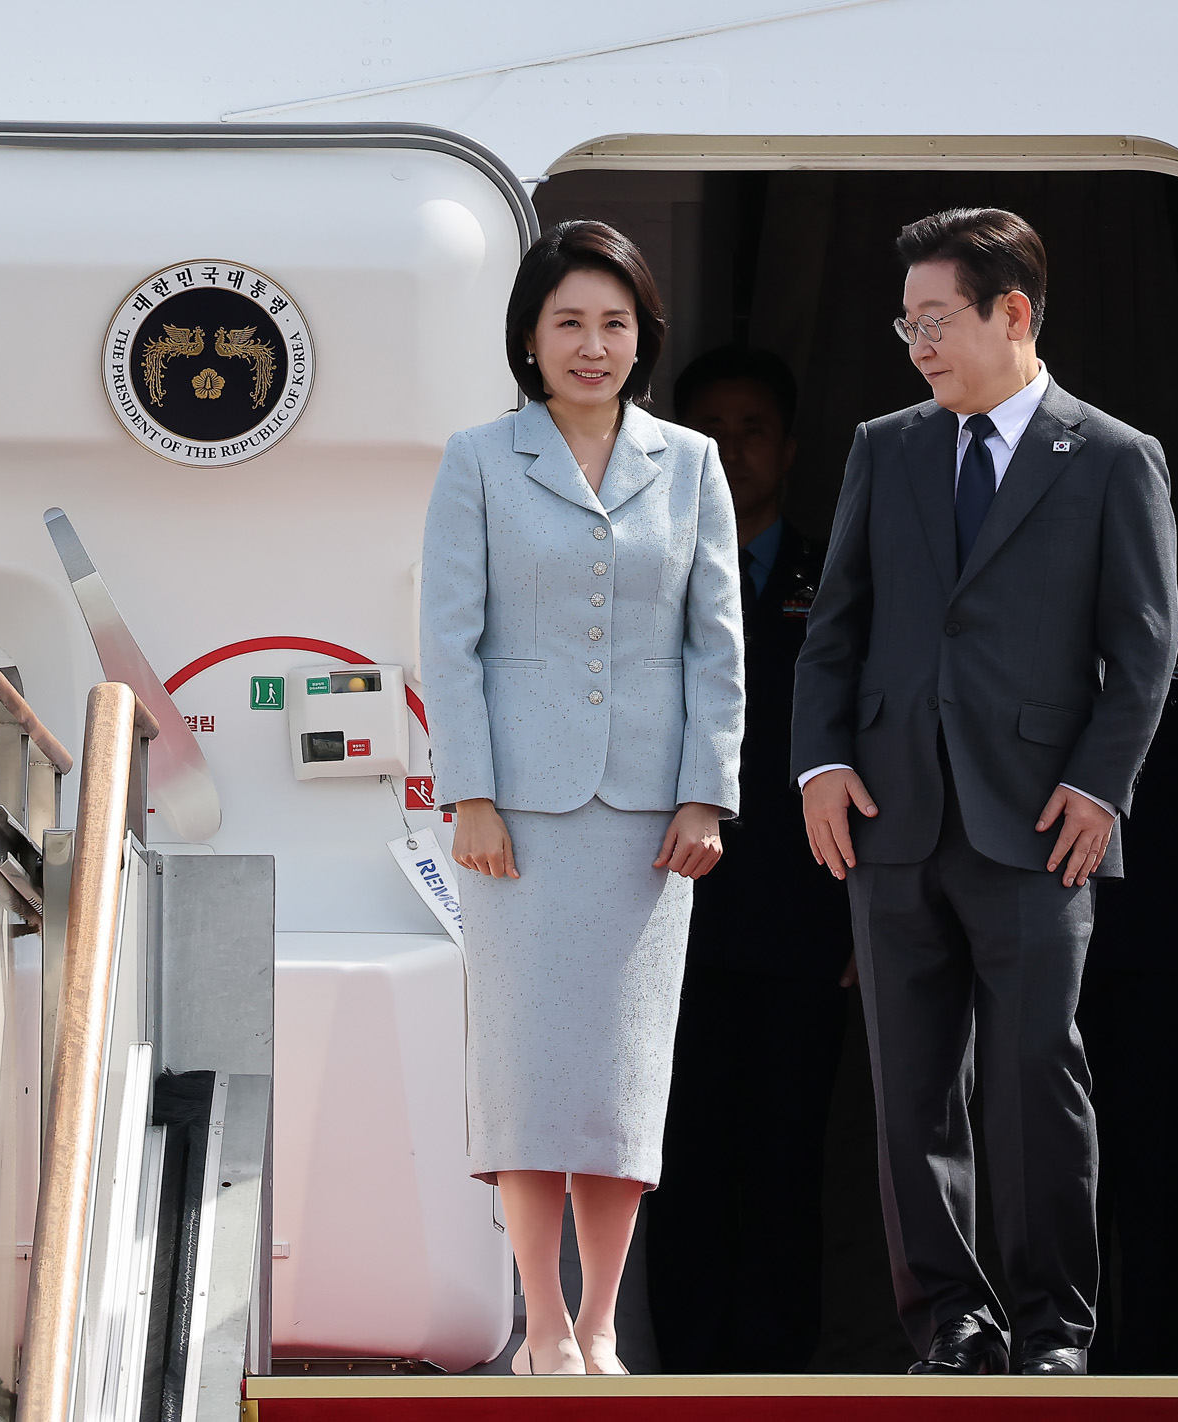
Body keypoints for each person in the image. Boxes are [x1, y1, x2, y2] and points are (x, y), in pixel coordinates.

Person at [790, 208, 1178, 1376]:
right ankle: (950, 1330)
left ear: (1013, 314)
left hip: (1036, 823)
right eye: (904, 324)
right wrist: (819, 765)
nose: (916, 345)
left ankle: (1053, 1331)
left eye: (936, 321)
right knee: (909, 1091)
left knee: (1030, 1083)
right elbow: (835, 628)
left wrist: (1098, 786)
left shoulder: (1111, 456)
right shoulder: (885, 445)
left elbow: (1145, 646)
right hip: (890, 814)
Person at [420, 219, 746, 1377]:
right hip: (515, 817)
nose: (591, 345)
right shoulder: (476, 459)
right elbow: (448, 644)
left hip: (647, 822)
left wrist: (706, 795)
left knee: (619, 1073)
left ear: (640, 334)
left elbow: (717, 645)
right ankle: (539, 1327)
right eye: (568, 323)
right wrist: (470, 793)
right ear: (529, 337)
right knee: (525, 1070)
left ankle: (599, 1325)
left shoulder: (691, 462)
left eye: (612, 323)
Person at [644, 346, 853, 1373]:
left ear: (789, 449)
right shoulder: (639, 573)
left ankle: (774, 1378)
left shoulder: (839, 581)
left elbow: (883, 748)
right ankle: (684, 1376)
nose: (729, 452)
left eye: (751, 430)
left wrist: (870, 916)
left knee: (784, 1169)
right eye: (708, 431)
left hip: (803, 927)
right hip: (662, 922)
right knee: (673, 1163)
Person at [1080, 600, 1178, 1374]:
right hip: (1049, 951)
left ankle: (1157, 1378)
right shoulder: (1043, 608)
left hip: (1169, 957)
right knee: (1062, 1189)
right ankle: (1066, 1374)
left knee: (1157, 1191)